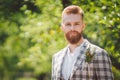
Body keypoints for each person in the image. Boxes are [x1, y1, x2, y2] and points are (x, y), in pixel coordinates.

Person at [52, 5, 113, 80]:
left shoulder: (98, 54)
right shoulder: (57, 57)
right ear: (62, 27)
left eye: (76, 24)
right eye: (68, 24)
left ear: (83, 26)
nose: (72, 28)